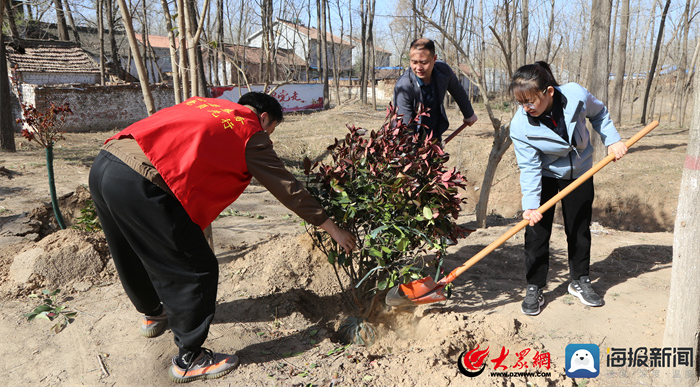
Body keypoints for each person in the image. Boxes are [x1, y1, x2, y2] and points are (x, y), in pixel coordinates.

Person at [88, 92, 355, 383]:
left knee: (128, 248)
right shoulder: (249, 130)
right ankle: (190, 359)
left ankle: (153, 313)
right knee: (197, 268)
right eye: (271, 130)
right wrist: (332, 228)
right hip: (140, 180)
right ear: (264, 117)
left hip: (106, 161)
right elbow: (287, 187)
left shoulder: (206, 104)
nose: (269, 137)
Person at [508, 62, 627, 316]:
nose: (526, 108)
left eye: (530, 101)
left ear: (549, 92)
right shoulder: (520, 126)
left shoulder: (575, 95)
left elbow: (600, 113)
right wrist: (530, 205)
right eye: (521, 103)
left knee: (579, 228)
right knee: (537, 232)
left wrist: (613, 140)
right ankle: (535, 286)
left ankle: (579, 280)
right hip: (545, 174)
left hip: (581, 170)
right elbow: (528, 167)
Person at [393, 38, 477, 142]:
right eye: (414, 62)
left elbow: (457, 90)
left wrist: (468, 113)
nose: (418, 67)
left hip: (434, 135)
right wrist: (414, 155)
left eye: (424, 62)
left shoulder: (443, 71)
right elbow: (405, 129)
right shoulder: (404, 87)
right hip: (412, 142)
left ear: (434, 59)